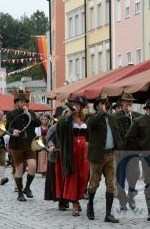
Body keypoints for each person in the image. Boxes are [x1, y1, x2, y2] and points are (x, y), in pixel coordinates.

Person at [86, 95, 122, 223]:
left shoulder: (112, 118)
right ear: (96, 106)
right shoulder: (92, 117)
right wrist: (101, 113)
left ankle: (108, 214)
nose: (103, 105)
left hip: (111, 154)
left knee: (111, 184)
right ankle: (90, 205)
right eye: (100, 104)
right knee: (94, 183)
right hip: (97, 155)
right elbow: (90, 124)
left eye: (105, 103)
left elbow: (118, 135)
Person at [56, 96, 90, 216]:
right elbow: (59, 127)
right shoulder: (67, 118)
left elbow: (90, 133)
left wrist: (88, 142)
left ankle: (78, 197)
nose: (76, 106)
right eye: (74, 104)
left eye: (78, 104)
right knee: (74, 176)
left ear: (81, 107)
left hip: (84, 150)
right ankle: (75, 202)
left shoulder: (85, 118)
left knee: (84, 176)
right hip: (72, 149)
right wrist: (68, 114)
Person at [6, 90, 41, 202]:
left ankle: (27, 188)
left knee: (33, 166)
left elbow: (37, 123)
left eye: (24, 102)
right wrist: (13, 130)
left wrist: (28, 114)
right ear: (17, 103)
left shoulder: (30, 112)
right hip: (17, 145)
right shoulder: (11, 114)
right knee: (19, 169)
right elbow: (8, 127)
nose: (23, 104)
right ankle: (20, 193)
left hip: (29, 144)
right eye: (21, 102)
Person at [115, 93, 142, 210]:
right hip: (121, 151)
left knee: (134, 175)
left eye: (130, 101)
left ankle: (131, 197)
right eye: (126, 101)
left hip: (133, 150)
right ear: (122, 102)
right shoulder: (116, 116)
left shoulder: (137, 116)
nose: (129, 103)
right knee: (120, 177)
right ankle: (122, 201)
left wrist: (132, 117)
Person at [44, 107, 68, 210]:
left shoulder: (69, 127)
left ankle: (68, 199)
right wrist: (51, 146)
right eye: (61, 116)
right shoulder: (53, 128)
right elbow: (48, 140)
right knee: (58, 182)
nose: (63, 117)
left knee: (67, 180)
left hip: (66, 157)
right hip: (56, 158)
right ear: (57, 117)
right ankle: (61, 202)